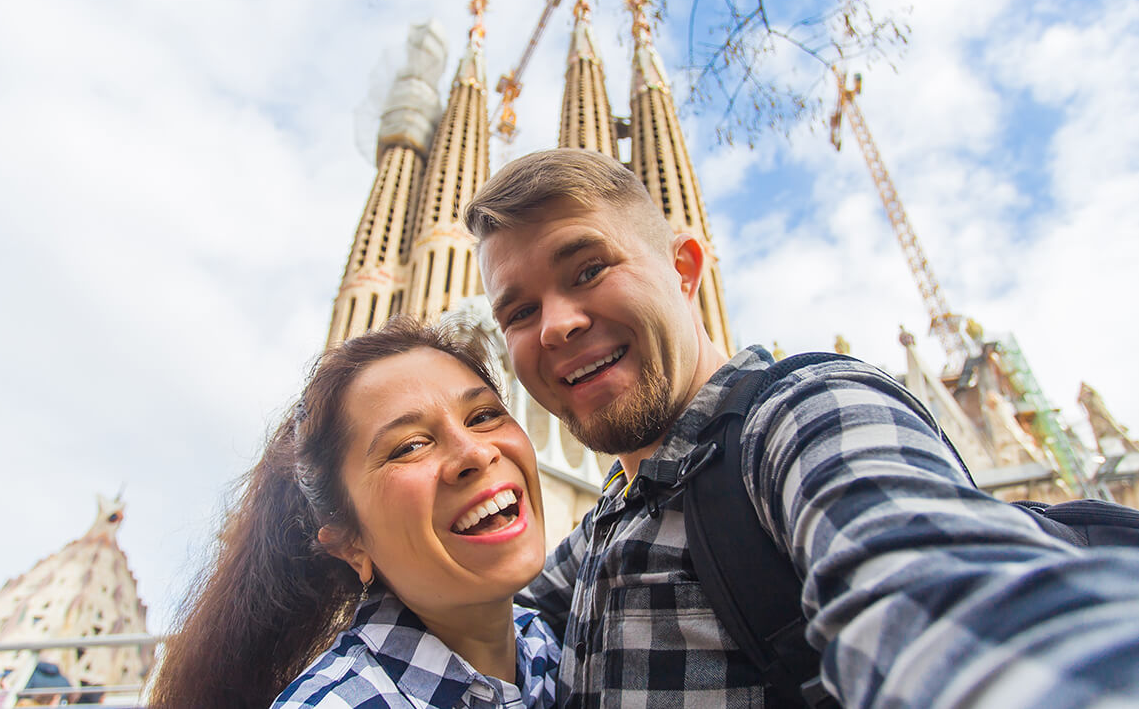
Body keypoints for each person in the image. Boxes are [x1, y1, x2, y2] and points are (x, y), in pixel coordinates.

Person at [466, 147, 1139, 709]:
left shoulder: (803, 416)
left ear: (684, 269)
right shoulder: (603, 529)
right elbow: (467, 632)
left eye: (588, 269)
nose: (555, 323)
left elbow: (940, 598)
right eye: (519, 312)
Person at [148, 318, 559, 709]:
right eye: (410, 446)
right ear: (350, 544)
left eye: (484, 416)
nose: (475, 452)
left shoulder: (549, 646)